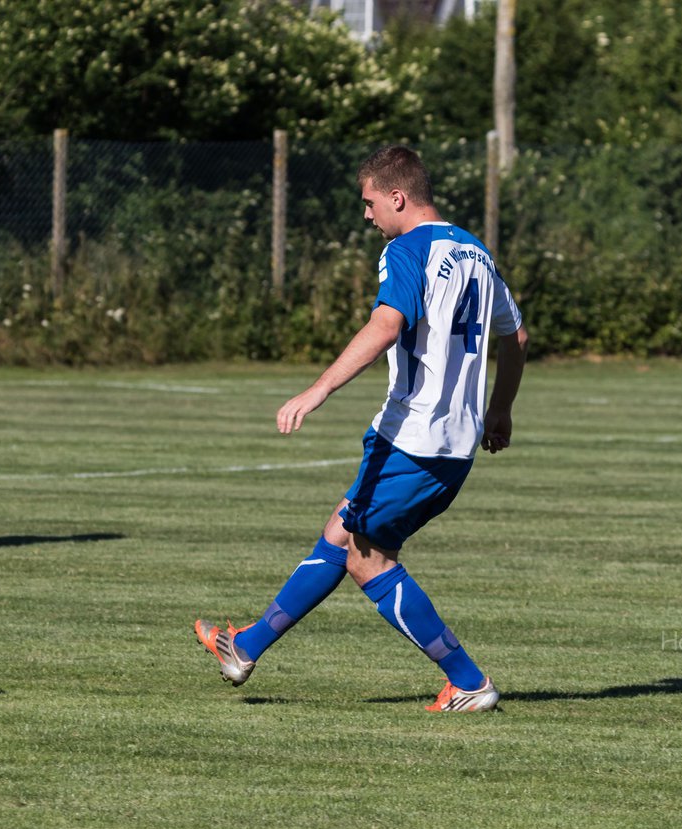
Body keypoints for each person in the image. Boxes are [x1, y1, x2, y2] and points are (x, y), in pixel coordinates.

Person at [193, 144, 528, 712]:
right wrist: (500, 410)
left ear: (398, 197)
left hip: (415, 437)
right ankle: (244, 647)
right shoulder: (476, 251)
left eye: (370, 202)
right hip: (449, 441)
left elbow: (386, 324)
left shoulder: (407, 249)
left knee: (366, 557)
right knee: (341, 530)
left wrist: (317, 389)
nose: (367, 214)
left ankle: (469, 682)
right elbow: (515, 336)